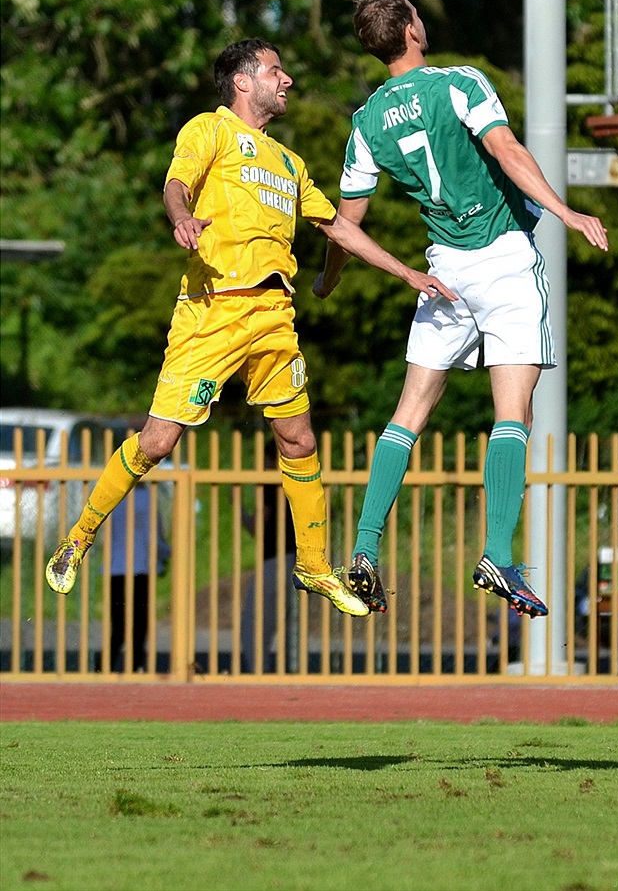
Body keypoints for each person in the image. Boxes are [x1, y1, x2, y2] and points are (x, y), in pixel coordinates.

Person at [45, 37, 455, 620]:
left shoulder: (290, 163)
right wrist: (182, 216)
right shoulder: (208, 130)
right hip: (212, 310)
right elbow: (176, 183)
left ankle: (315, 567)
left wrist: (407, 272)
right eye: (275, 70)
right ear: (243, 81)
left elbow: (338, 227)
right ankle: (80, 535)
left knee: (300, 441)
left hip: (273, 315)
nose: (286, 80)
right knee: (159, 442)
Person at [313, 0, 609, 618]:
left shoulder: (365, 123)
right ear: (413, 29)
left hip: (443, 272)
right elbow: (505, 149)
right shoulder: (458, 82)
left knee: (407, 414)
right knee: (512, 413)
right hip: (501, 258)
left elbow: (345, 224)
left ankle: (364, 551)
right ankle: (497, 555)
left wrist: (328, 278)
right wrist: (564, 209)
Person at [240, 438, 296, 672]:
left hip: (274, 561)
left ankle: (258, 670)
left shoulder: (270, 487)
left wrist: (239, 510)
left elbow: (258, 528)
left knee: (254, 622)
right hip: (298, 559)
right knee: (292, 623)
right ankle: (294, 670)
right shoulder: (297, 484)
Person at [103, 483, 171, 672]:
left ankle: (104, 667)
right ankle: (135, 667)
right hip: (141, 568)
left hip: (116, 567)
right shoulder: (148, 497)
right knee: (139, 624)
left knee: (118, 625)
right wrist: (166, 555)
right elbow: (155, 537)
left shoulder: (111, 492)